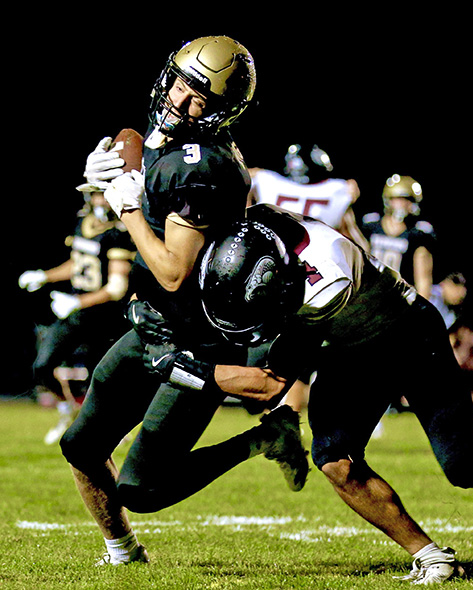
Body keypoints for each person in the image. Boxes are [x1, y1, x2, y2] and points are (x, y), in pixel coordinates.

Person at [154, 203, 473, 583]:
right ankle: (432, 558)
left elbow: (268, 385)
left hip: (407, 338)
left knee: (468, 468)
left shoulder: (325, 283)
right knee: (335, 459)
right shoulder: (255, 230)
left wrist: (181, 367)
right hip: (353, 343)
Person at [59, 35, 308, 566]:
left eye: (201, 98)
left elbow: (173, 272)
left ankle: (264, 439)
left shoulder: (199, 165)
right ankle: (122, 553)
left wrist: (122, 205)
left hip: (197, 340)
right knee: (80, 445)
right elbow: (147, 215)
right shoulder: (166, 143)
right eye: (182, 82)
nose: (181, 100)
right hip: (151, 326)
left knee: (143, 489)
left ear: (222, 113)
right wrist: (99, 188)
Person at [246, 142, 370, 411]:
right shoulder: (338, 192)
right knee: (309, 354)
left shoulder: (265, 182)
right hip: (317, 283)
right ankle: (286, 412)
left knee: (275, 354)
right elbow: (360, 247)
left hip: (271, 279)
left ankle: (276, 408)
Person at [18, 191, 135, 444]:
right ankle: (66, 412)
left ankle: (115, 426)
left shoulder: (119, 232)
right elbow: (78, 264)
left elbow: (117, 288)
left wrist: (76, 301)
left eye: (104, 195)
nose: (100, 200)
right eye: (96, 195)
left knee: (101, 376)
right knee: (43, 365)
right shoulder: (83, 223)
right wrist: (44, 276)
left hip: (104, 317)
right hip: (77, 312)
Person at [361, 174, 435, 299]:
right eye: (399, 199)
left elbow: (423, 279)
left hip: (399, 299)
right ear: (388, 199)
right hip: (370, 293)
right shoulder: (371, 226)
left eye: (408, 200)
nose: (403, 204)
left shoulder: (416, 234)